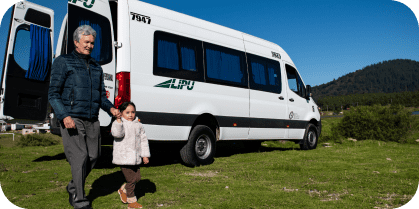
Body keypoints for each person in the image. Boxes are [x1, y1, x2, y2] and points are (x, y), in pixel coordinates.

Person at [48, 25, 121, 209]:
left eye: (92, 43)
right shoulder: (63, 62)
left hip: (92, 119)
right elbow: (53, 93)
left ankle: (73, 185)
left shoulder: (96, 67)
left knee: (94, 156)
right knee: (80, 157)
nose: (89, 46)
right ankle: (79, 199)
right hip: (72, 118)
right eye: (86, 42)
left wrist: (111, 109)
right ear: (76, 42)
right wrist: (64, 115)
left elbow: (101, 97)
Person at [111, 101, 150, 209]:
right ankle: (131, 202)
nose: (130, 115)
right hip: (124, 157)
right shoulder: (118, 123)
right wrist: (118, 120)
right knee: (131, 180)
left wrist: (145, 155)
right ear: (121, 113)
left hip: (135, 158)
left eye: (133, 112)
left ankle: (123, 190)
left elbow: (143, 140)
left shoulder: (139, 125)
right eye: (127, 112)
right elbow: (117, 134)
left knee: (137, 178)